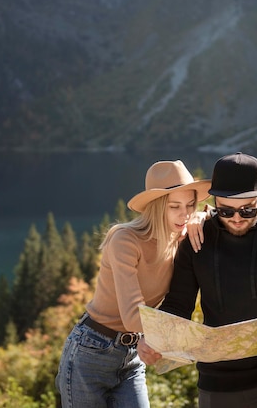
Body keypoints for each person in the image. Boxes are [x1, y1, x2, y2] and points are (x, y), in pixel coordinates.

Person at [138, 152, 257, 408]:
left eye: (247, 209)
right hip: (217, 387)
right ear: (214, 201)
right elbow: (177, 307)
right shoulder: (198, 240)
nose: (237, 218)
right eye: (225, 211)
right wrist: (153, 338)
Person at [55, 159, 211, 408]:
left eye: (190, 205)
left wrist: (205, 216)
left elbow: (228, 218)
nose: (185, 214)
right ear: (157, 207)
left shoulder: (182, 240)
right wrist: (188, 337)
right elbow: (132, 315)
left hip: (132, 356)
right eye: (175, 207)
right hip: (90, 353)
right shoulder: (125, 240)